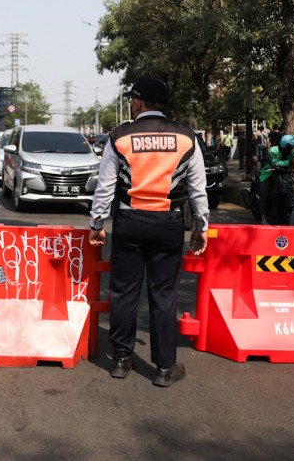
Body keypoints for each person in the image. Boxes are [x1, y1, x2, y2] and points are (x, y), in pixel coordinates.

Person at [88, 76, 209, 387]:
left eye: (132, 100)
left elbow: (105, 187)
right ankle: (166, 367)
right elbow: (197, 188)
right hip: (168, 225)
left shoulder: (120, 136)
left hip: (130, 223)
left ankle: (120, 359)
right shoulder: (187, 137)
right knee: (164, 296)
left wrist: (98, 224)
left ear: (139, 103)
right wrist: (201, 226)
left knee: (124, 293)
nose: (131, 104)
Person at [258, 134, 294, 223]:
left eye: (293, 147)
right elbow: (275, 163)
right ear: (284, 144)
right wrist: (289, 162)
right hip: (269, 173)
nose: (292, 148)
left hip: (284, 175)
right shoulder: (274, 150)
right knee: (265, 194)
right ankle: (263, 217)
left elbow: (293, 163)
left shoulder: (291, 153)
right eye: (290, 146)